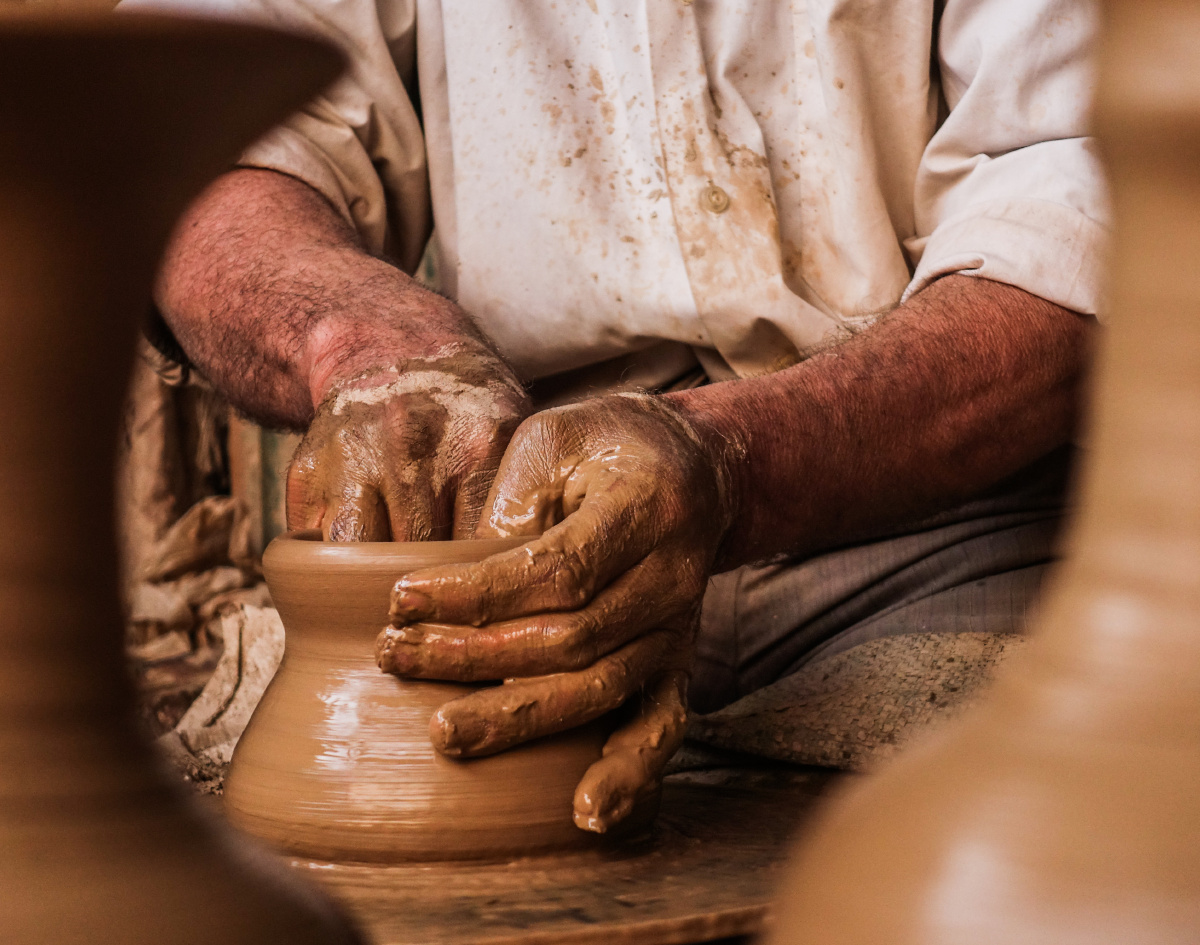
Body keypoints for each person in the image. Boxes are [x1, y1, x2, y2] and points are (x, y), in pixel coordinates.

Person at [130, 0, 1104, 833]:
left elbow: (1113, 194)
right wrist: (363, 345)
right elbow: (201, 130)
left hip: (929, 520)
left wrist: (736, 467)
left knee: (1056, 853)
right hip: (505, 519)